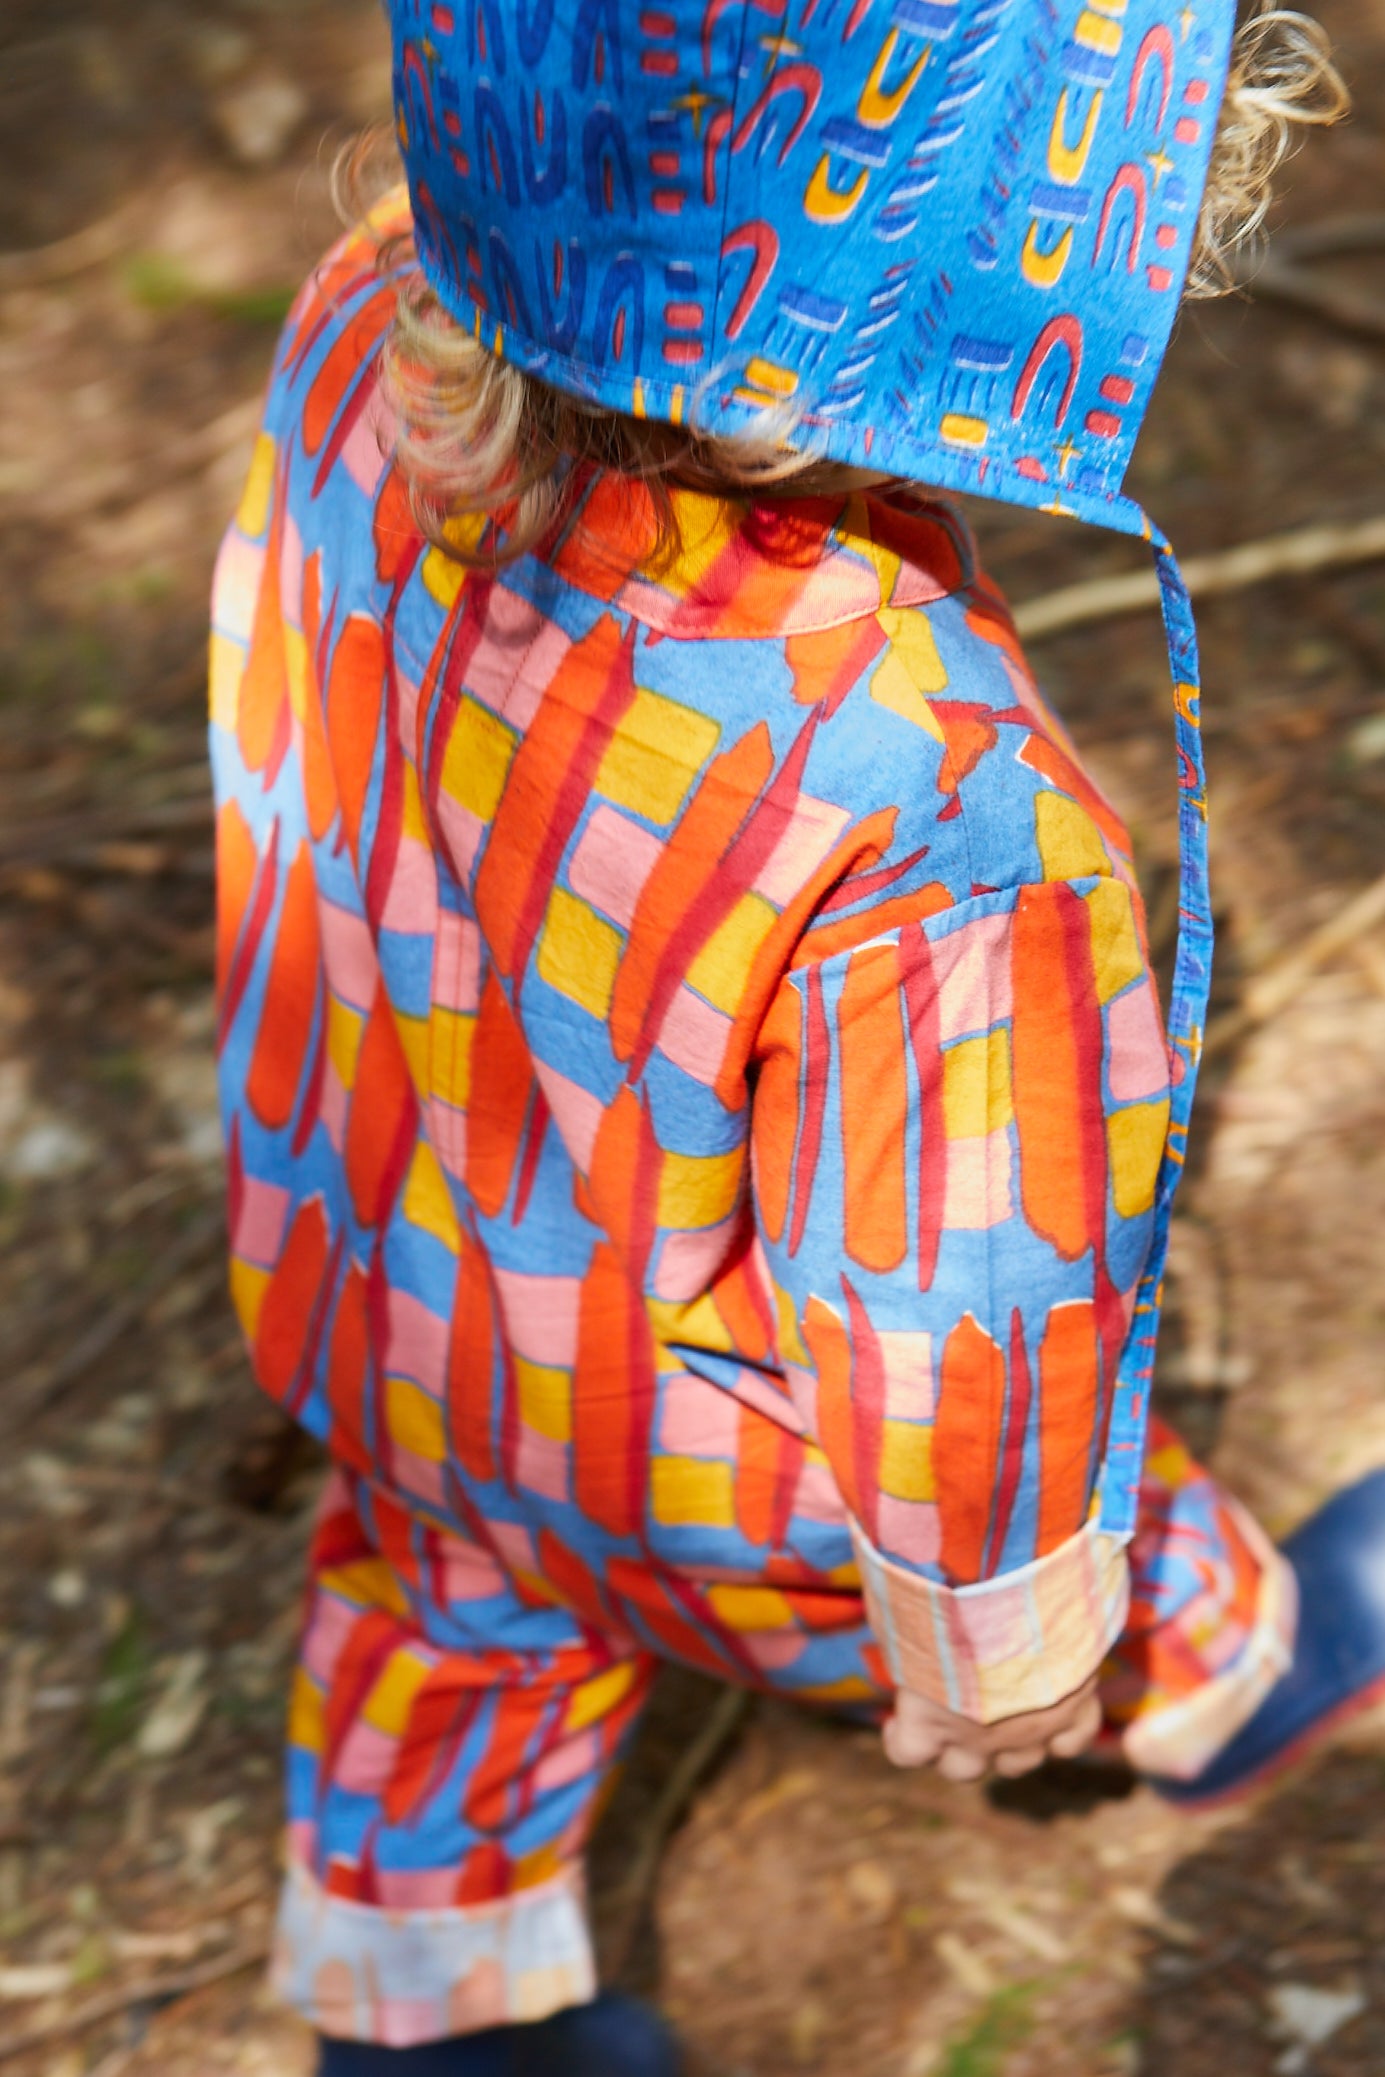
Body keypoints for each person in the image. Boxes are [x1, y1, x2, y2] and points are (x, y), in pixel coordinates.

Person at [210, 4, 1371, 2070]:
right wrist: (996, 1624)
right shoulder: (933, 790)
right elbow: (967, 1302)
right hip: (729, 1476)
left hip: (386, 1294)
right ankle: (1217, 1674)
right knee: (1074, 1510)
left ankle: (431, 2017)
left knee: (444, 1613)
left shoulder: (368, 317)